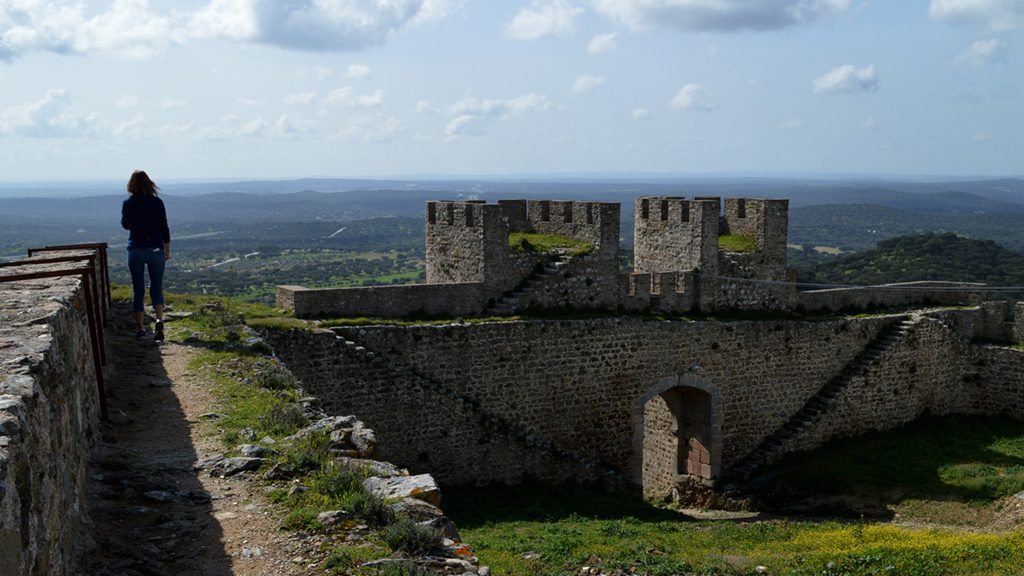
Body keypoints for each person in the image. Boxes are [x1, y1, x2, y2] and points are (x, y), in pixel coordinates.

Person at [121, 170, 171, 342]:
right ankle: (159, 320)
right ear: (150, 184)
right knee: (156, 287)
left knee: (138, 289)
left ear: (131, 185)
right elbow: (164, 227)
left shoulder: (128, 203)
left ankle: (142, 329)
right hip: (156, 248)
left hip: (135, 249)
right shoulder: (157, 202)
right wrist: (167, 250)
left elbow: (125, 225)